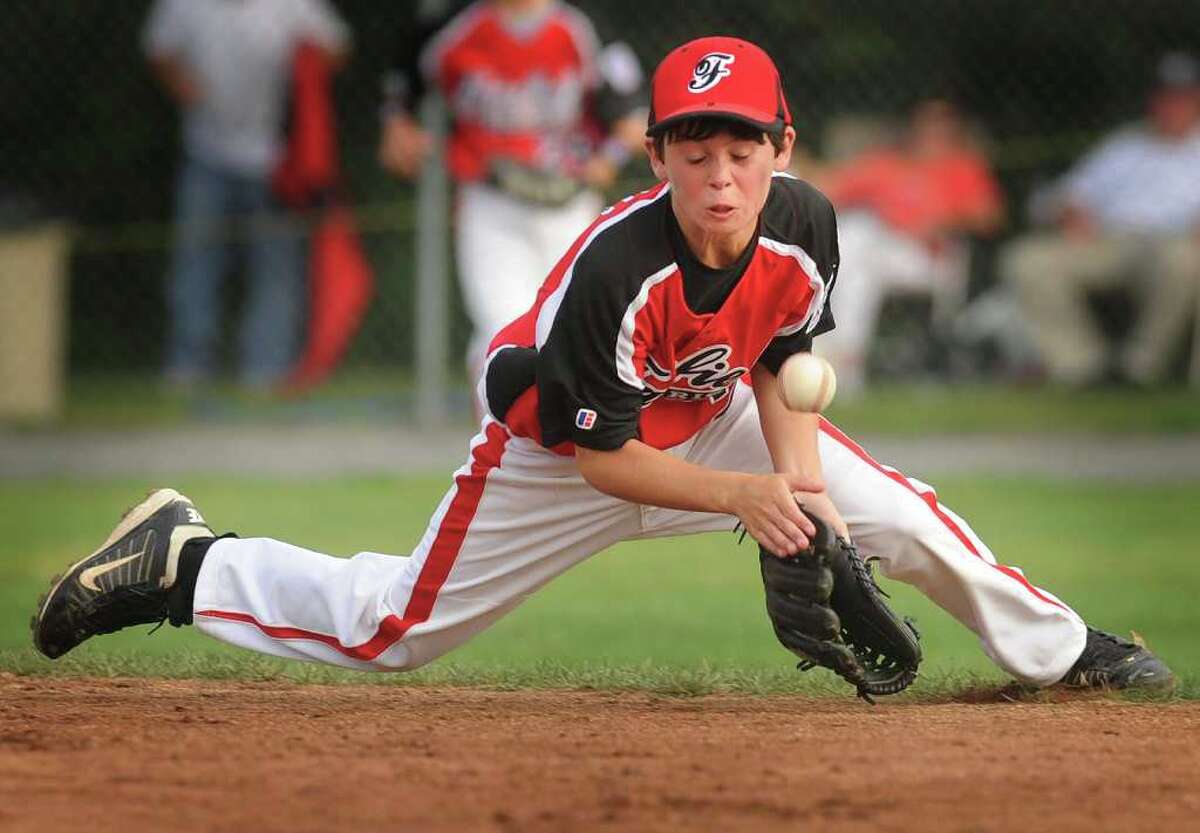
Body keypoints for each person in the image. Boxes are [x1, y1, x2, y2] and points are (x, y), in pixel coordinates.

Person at [33, 37, 1171, 694]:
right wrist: (751, 501)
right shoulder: (618, 268)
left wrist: (808, 499)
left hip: (710, 413)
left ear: (783, 146)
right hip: (557, 444)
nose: (720, 174)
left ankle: (1071, 651)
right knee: (393, 628)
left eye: (742, 147)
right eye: (694, 148)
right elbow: (603, 455)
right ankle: (184, 561)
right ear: (658, 153)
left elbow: (782, 356)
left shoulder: (806, 225)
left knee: (906, 518)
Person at [378, 0, 648, 383]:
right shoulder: (453, 25)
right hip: (491, 202)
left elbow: (634, 121)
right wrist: (396, 124)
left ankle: (570, 438)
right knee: (500, 332)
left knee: (575, 327)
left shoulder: (579, 25)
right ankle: (498, 440)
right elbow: (401, 83)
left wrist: (610, 157)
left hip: (567, 204)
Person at [143, 0, 350, 389]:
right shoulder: (183, 6)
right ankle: (189, 368)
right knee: (195, 263)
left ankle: (265, 372)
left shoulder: (293, 6)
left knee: (275, 270)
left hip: (274, 161)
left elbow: (336, 48)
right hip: (205, 153)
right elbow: (158, 50)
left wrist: (304, 73)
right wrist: (184, 87)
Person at [1001, 52, 1200, 386]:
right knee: (1027, 259)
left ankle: (1139, 368)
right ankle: (1082, 369)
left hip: (1174, 244)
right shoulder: (1124, 146)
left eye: (1183, 97)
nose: (1172, 105)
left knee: (1184, 260)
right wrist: (1068, 209)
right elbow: (1055, 197)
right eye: (1165, 96)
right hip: (1108, 240)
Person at [803, 99, 1004, 394]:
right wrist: (789, 161)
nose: (934, 134)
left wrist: (945, 223)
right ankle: (845, 364)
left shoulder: (962, 167)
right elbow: (826, 186)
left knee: (855, 246)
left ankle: (829, 355)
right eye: (927, 126)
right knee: (855, 242)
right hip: (882, 253)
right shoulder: (889, 165)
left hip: (934, 258)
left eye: (943, 127)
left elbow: (990, 217)